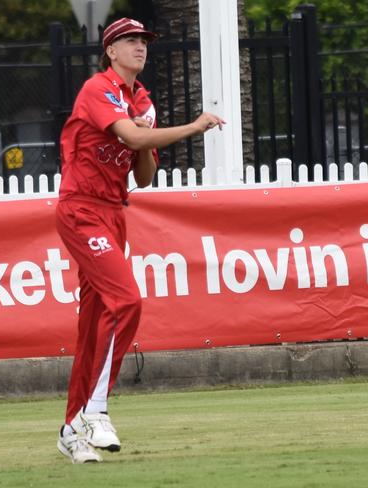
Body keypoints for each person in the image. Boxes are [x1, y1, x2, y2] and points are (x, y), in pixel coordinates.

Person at [55, 18, 225, 464]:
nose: (140, 47)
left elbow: (143, 174)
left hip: (114, 213)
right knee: (127, 301)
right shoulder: (99, 88)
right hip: (81, 209)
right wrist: (192, 127)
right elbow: (129, 134)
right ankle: (96, 409)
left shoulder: (140, 99)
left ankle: (72, 428)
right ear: (110, 51)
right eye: (130, 41)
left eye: (144, 41)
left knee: (92, 326)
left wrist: (146, 141)